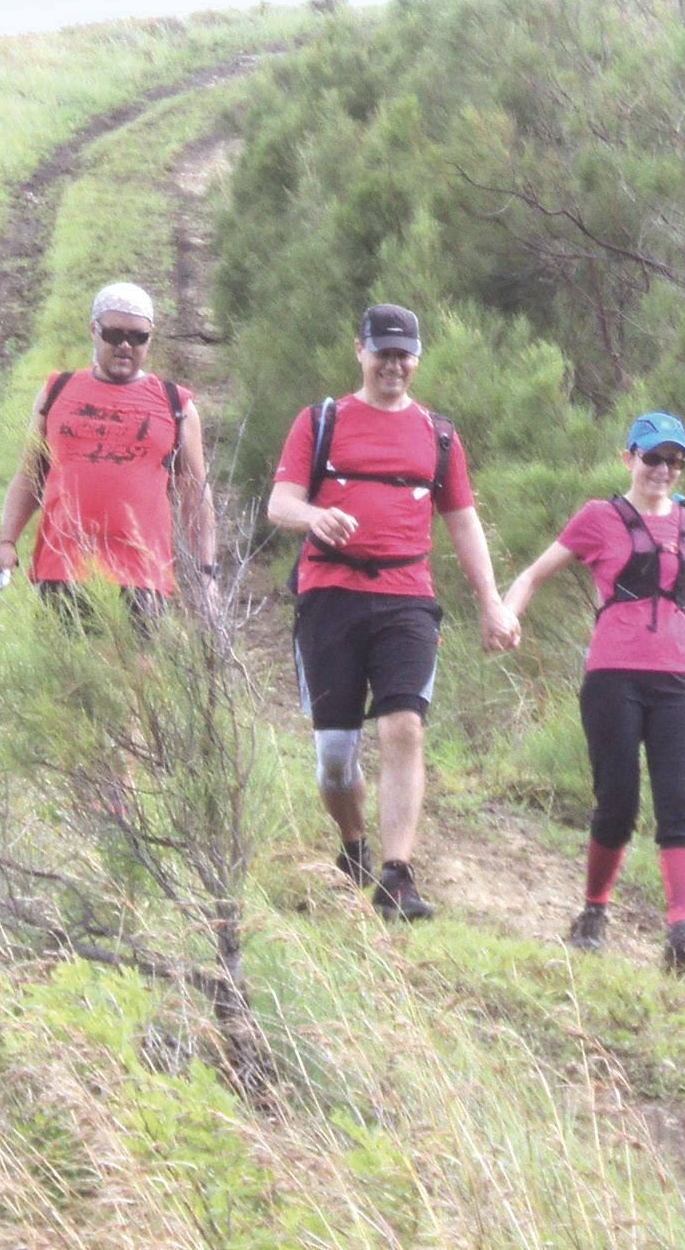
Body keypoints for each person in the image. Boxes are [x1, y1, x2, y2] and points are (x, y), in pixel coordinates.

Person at [267, 303, 520, 922]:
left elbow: (462, 520)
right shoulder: (320, 421)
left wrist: (491, 602)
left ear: (417, 358)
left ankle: (396, 876)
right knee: (335, 758)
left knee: (404, 725)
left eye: (404, 354)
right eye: (383, 352)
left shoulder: (438, 434)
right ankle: (353, 844)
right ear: (360, 351)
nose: (394, 365)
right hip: (329, 596)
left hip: (407, 598)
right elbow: (280, 502)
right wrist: (314, 517)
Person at [503, 411, 685, 970]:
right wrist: (506, 615)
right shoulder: (599, 517)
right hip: (613, 677)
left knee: (680, 802)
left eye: (674, 461)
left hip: (680, 680)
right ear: (629, 458)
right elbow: (532, 574)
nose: (663, 470)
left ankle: (682, 935)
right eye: (652, 457)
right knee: (619, 802)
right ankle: (593, 911)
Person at [0, 282, 217, 626]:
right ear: (94, 330)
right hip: (62, 570)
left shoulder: (176, 404)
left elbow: (196, 493)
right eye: (114, 334)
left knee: (138, 663)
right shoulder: (56, 391)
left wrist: (205, 573)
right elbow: (30, 475)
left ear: (150, 338)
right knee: (64, 662)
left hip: (142, 576)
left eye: (138, 337)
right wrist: (6, 543)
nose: (125, 345)